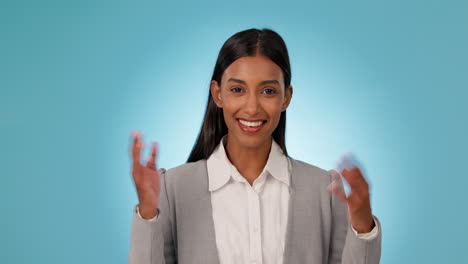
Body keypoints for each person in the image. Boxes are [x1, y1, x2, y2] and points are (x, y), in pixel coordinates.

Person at [128, 28, 382, 264]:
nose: (251, 108)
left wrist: (362, 227)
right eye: (238, 89)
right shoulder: (173, 188)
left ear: (286, 97)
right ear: (218, 94)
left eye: (268, 91)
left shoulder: (323, 190)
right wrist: (149, 214)